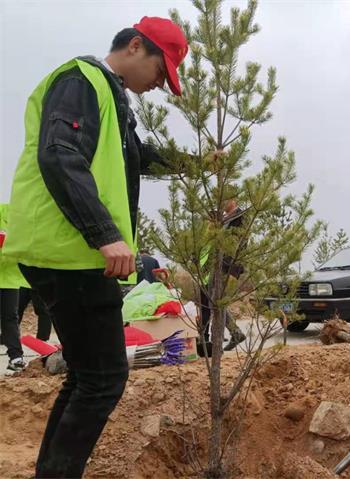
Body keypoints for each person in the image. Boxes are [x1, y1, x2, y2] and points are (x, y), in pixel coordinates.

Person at [3, 17, 188, 477]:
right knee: (105, 379)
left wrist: (197, 163)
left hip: (69, 252)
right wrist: (105, 234)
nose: (160, 84)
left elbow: (137, 155)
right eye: (161, 71)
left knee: (87, 376)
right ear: (134, 46)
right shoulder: (81, 80)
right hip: (73, 253)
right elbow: (59, 153)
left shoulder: (110, 97)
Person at [198, 199, 247, 355]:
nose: (222, 202)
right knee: (215, 302)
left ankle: (226, 338)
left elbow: (239, 244)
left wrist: (233, 267)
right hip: (216, 266)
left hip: (227, 265)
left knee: (216, 303)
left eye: (226, 199)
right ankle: (234, 333)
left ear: (234, 200)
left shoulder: (241, 217)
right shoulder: (225, 220)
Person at [0, 203, 29, 372]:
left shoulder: (15, 211)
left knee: (10, 317)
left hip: (9, 278)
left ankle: (16, 356)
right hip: (8, 275)